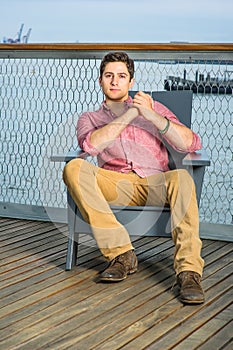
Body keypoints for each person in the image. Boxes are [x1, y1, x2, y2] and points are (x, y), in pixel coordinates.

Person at [63, 51, 205, 304]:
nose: (115, 81)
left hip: (154, 182)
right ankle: (122, 254)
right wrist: (129, 114)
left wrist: (150, 115)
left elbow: (191, 143)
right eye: (109, 76)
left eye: (121, 76)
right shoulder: (90, 118)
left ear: (131, 82)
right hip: (115, 183)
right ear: (100, 81)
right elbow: (90, 146)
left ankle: (189, 272)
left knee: (183, 178)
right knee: (73, 167)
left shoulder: (154, 109)